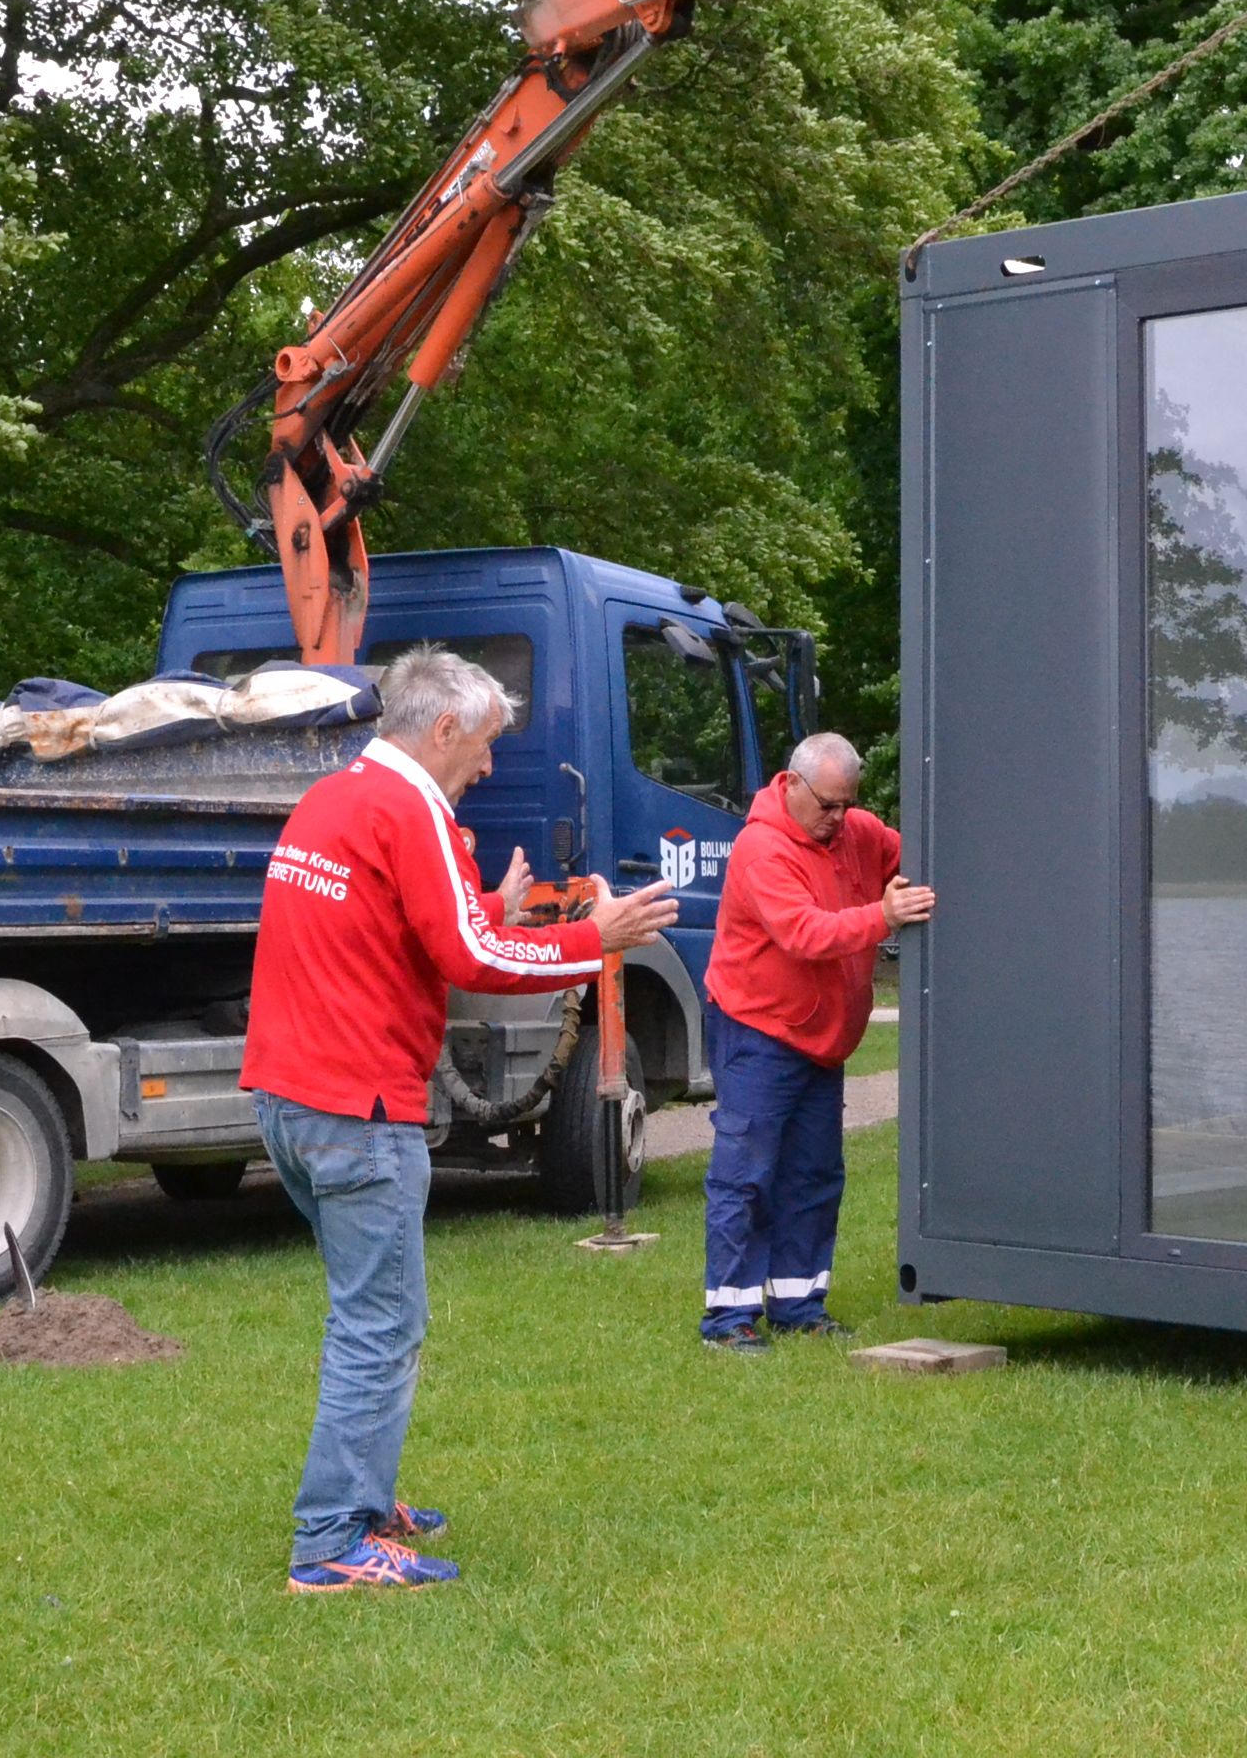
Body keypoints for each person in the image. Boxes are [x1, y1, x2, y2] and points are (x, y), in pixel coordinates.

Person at [241, 646, 680, 1592]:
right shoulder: (412, 810)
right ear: (443, 729)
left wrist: (492, 905)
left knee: (371, 1314)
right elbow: (475, 961)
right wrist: (586, 942)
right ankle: (330, 1544)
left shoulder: (337, 798)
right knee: (381, 1324)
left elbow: (411, 931)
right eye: (482, 745)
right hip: (360, 1110)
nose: (487, 766)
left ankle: (361, 1500)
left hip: (290, 1098)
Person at [696, 731, 935, 1351]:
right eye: (828, 805)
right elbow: (803, 933)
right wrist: (884, 916)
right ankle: (727, 1319)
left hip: (820, 1042)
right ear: (793, 785)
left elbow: (918, 854)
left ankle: (799, 1303)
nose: (838, 819)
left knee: (814, 1175)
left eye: (846, 805)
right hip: (757, 1031)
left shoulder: (854, 828)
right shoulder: (761, 847)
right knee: (745, 1175)